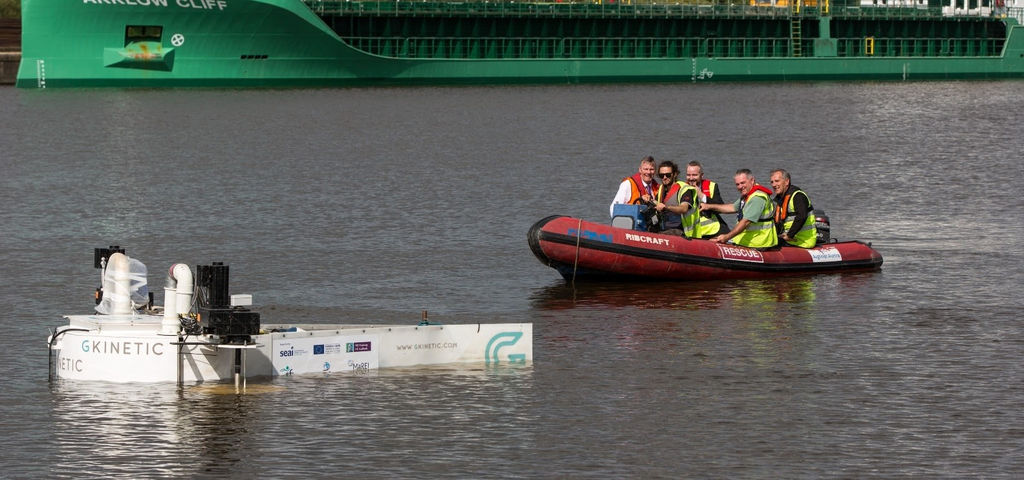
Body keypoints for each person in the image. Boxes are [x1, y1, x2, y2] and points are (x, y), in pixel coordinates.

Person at [699, 169, 777, 248]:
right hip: (747, 239)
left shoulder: (757, 198)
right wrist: (708, 206)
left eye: (743, 183)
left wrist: (727, 237)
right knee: (712, 241)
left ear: (752, 180)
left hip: (759, 243)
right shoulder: (747, 195)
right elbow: (732, 207)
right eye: (737, 184)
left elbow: (745, 222)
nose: (740, 187)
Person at [769, 168, 817, 248]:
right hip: (789, 239)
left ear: (787, 181)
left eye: (777, 181)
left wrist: (789, 235)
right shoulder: (779, 200)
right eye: (772, 182)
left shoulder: (798, 196)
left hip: (803, 241)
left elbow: (802, 216)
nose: (774, 185)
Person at [652, 161, 699, 237]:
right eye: (661, 175)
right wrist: (648, 200)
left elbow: (684, 208)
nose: (664, 177)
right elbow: (657, 205)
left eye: (668, 175)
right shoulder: (661, 189)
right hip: (665, 229)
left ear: (674, 174)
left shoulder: (684, 189)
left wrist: (666, 207)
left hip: (682, 232)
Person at [685, 161, 729, 239]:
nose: (691, 178)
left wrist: (702, 196)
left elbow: (721, 208)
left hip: (713, 229)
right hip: (692, 231)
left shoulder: (712, 186)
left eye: (694, 175)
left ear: (701, 175)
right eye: (688, 175)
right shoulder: (682, 188)